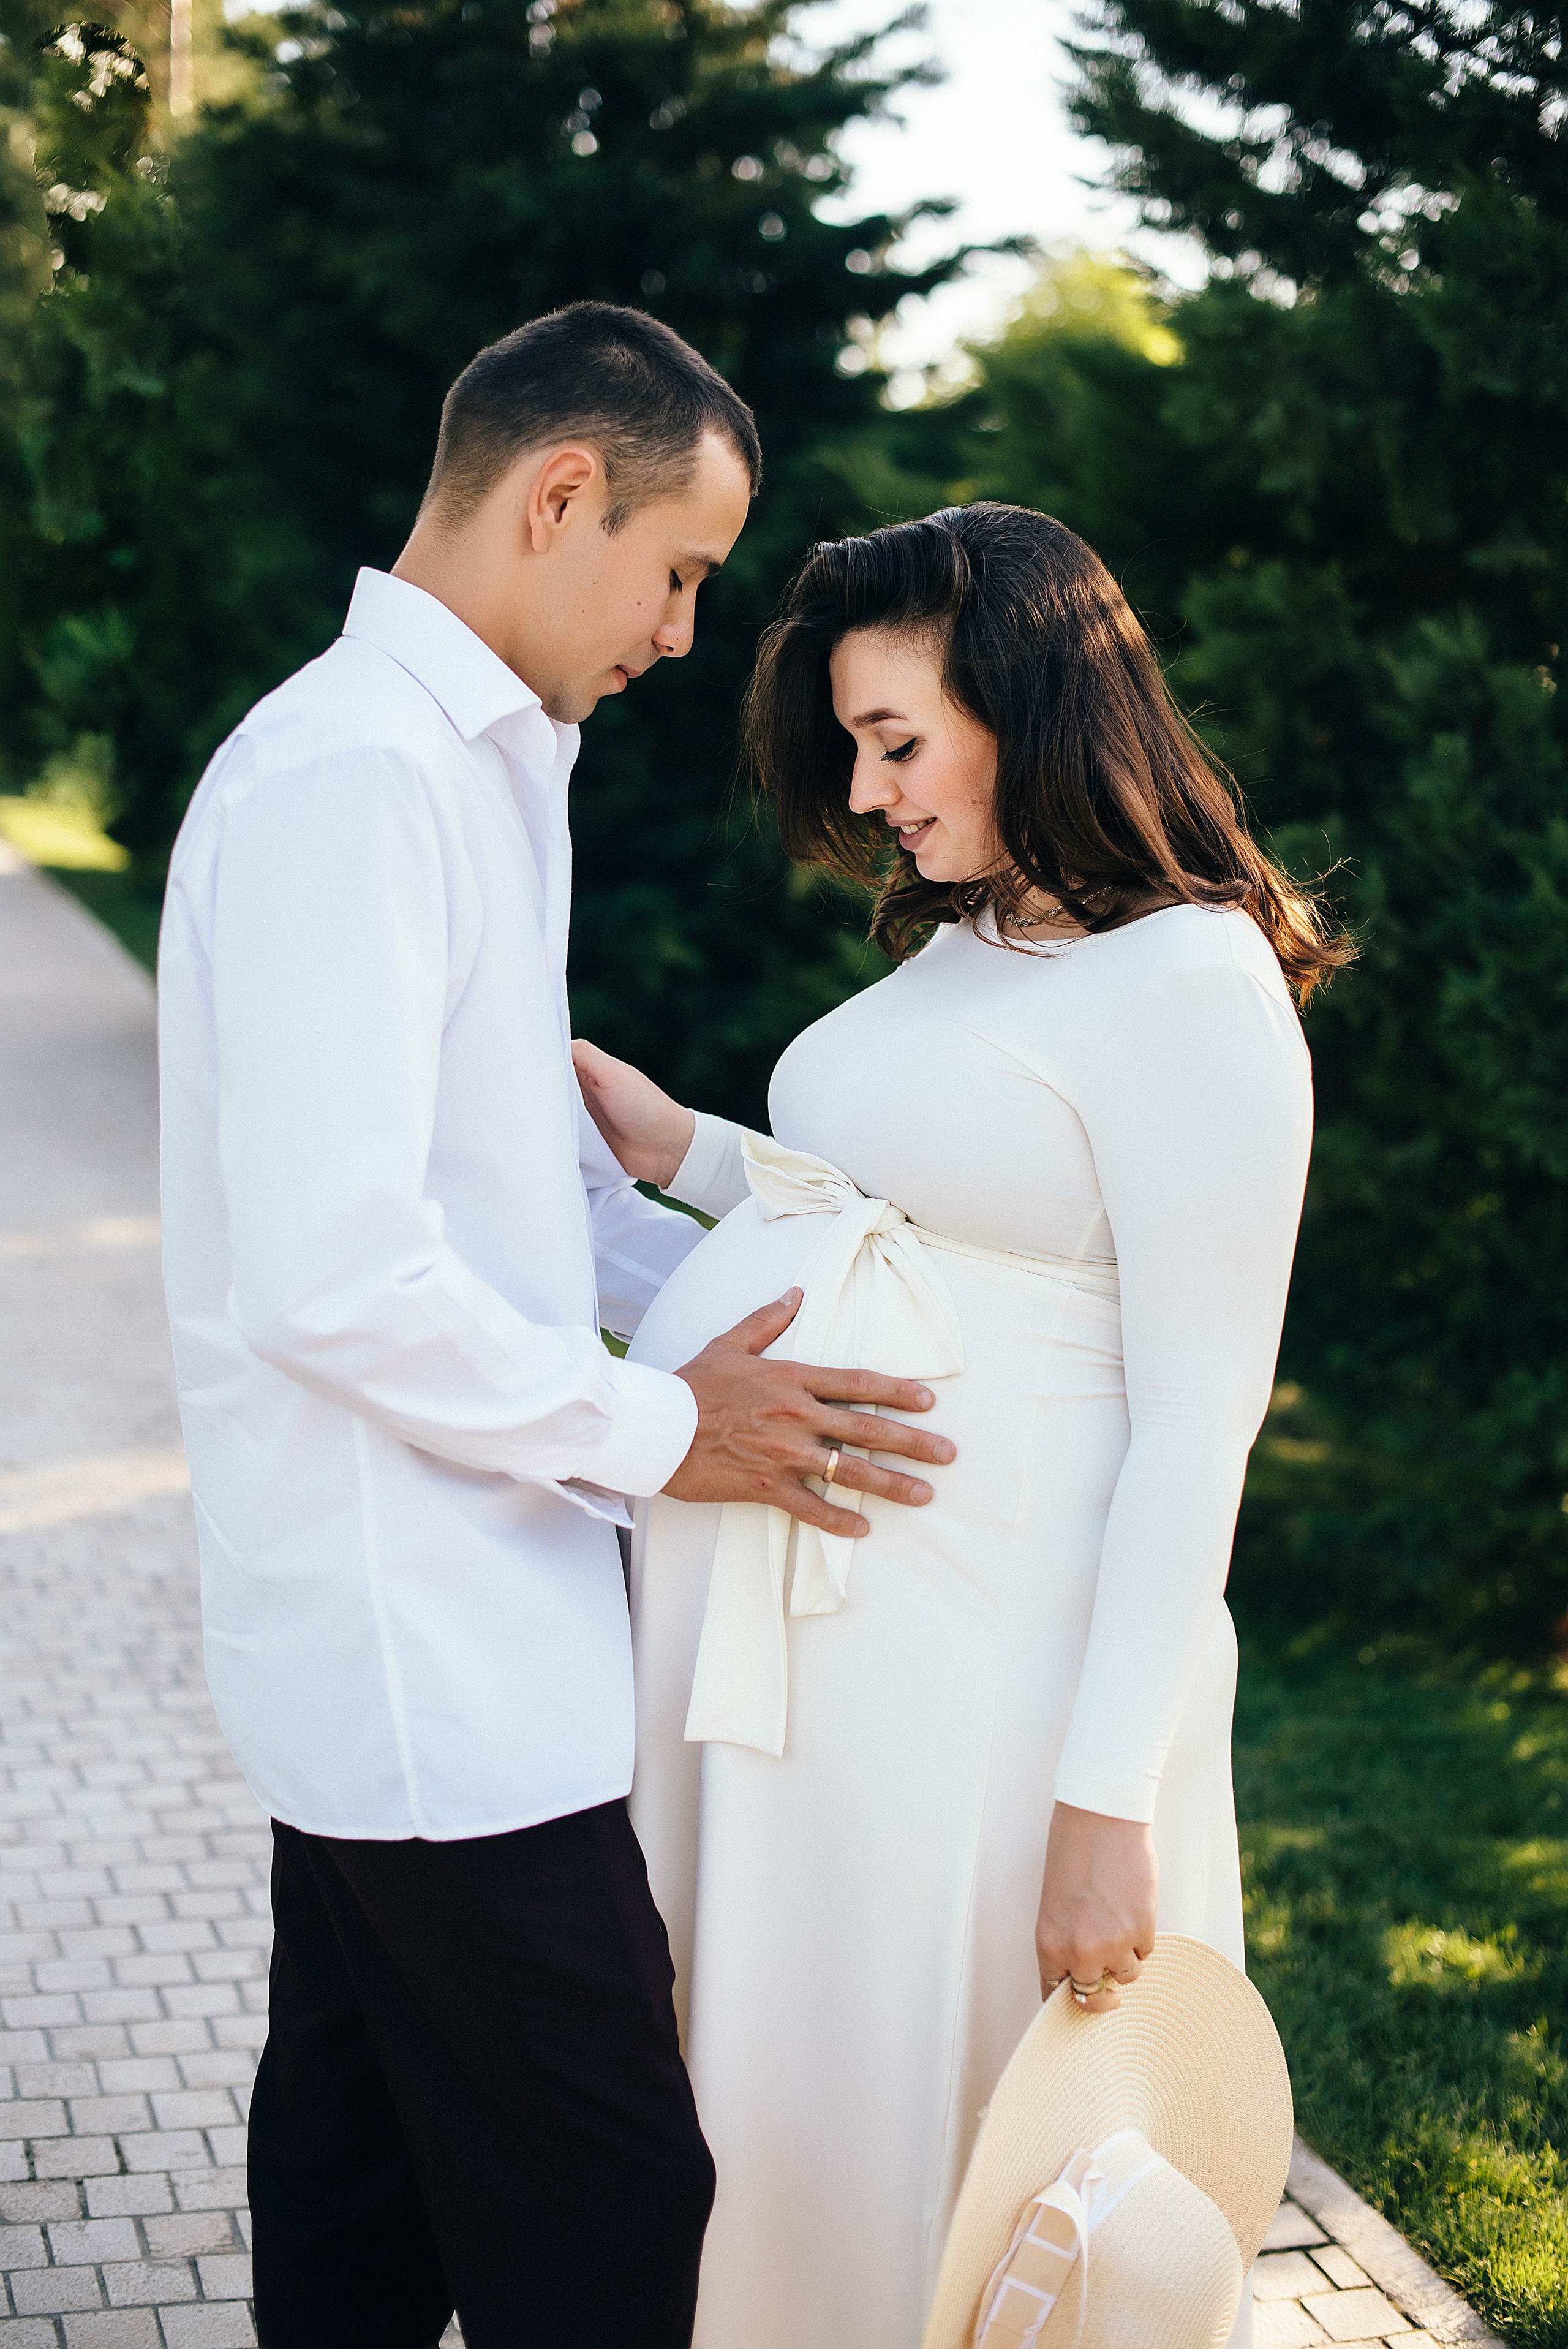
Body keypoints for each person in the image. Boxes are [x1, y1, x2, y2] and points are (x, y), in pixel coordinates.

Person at [156, 303, 954, 2349]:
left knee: (360, 2183)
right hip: (432, 1661)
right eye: (677, 572)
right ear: (561, 491)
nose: (683, 634)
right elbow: (336, 1274)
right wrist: (671, 1431)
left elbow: (524, 1207)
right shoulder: (360, 776)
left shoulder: (480, 772)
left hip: (443, 1640)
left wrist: (798, 1329)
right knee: (610, 2200)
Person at [573, 501, 1352, 2349]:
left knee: (957, 2149)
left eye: (896, 740)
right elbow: (902, 1209)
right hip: (833, 1696)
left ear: (1030, 701)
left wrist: (1106, 1808)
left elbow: (1200, 1426)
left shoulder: (1193, 981)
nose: (868, 790)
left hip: (999, 1692)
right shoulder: (983, 932)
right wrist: (685, 1149)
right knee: (796, 2114)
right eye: (856, 743)